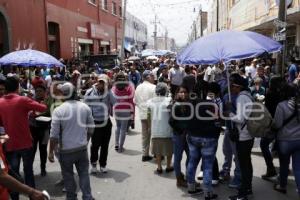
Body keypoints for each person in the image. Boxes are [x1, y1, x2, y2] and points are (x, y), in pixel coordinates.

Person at [0, 76, 47, 200]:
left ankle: (15, 197)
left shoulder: (0, 102)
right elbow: (42, 108)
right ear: (18, 87)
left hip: (9, 144)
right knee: (28, 171)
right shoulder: (22, 100)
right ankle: (33, 196)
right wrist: (39, 102)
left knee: (13, 174)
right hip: (25, 143)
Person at [49, 82, 95, 200]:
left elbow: (53, 135)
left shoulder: (58, 110)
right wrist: (86, 141)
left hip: (65, 151)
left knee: (68, 176)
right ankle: (87, 196)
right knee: (84, 174)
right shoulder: (85, 107)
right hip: (81, 149)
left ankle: (71, 197)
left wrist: (50, 152)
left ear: (63, 95)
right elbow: (91, 128)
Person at [186, 88, 220, 199]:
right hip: (208, 138)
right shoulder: (212, 105)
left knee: (192, 162)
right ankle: (208, 193)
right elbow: (218, 121)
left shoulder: (191, 103)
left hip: (193, 136)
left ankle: (191, 187)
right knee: (207, 166)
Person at [228, 74, 254, 200]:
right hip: (248, 134)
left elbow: (240, 118)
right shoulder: (247, 96)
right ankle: (247, 188)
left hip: (243, 136)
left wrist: (229, 113)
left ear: (237, 86)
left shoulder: (241, 98)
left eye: (232, 85)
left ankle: (243, 194)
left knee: (244, 165)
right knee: (247, 163)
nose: (230, 88)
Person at [272, 83, 300, 196]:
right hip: (299, 139)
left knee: (284, 165)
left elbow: (277, 124)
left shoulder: (281, 105)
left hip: (284, 140)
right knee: (298, 167)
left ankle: (282, 186)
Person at [84, 74, 114, 174]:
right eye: (101, 82)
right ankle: (93, 164)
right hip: (95, 122)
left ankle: (103, 164)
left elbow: (115, 102)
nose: (102, 85)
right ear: (98, 82)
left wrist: (110, 91)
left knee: (105, 145)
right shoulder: (89, 92)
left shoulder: (108, 92)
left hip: (106, 122)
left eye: (104, 83)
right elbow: (85, 107)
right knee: (95, 145)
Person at [260, 76, 284, 180]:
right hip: (283, 124)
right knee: (281, 147)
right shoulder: (283, 94)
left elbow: (268, 110)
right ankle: (283, 168)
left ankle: (270, 169)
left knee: (263, 145)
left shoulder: (270, 93)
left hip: (272, 124)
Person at [147, 83, 173, 174]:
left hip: (155, 128)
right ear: (165, 91)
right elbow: (171, 114)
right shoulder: (169, 100)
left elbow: (149, 115)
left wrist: (149, 126)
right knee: (169, 149)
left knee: (157, 150)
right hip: (167, 128)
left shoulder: (150, 101)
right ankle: (169, 166)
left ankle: (159, 167)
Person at [169, 86, 190, 187]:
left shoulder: (187, 104)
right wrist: (180, 131)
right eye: (181, 92)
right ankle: (179, 179)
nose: (183, 94)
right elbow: (171, 122)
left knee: (190, 156)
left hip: (187, 135)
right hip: (179, 136)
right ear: (177, 94)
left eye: (185, 92)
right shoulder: (176, 105)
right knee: (178, 158)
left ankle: (188, 177)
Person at [134, 70, 156, 162]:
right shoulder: (153, 87)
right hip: (152, 113)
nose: (154, 78)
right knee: (154, 134)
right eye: (152, 76)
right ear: (148, 77)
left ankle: (145, 154)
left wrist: (141, 106)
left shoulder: (138, 87)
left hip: (142, 113)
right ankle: (156, 153)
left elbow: (135, 101)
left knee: (145, 135)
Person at [29, 84, 50, 177]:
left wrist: (40, 114)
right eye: (36, 91)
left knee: (43, 149)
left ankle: (43, 168)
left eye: (40, 91)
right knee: (32, 149)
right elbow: (28, 113)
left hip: (45, 129)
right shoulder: (31, 101)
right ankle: (30, 169)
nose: (38, 93)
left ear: (44, 92)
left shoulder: (48, 101)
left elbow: (51, 111)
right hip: (33, 128)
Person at [111, 72, 135, 153]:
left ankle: (116, 144)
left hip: (117, 110)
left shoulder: (113, 88)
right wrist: (132, 114)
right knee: (123, 129)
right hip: (126, 110)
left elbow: (111, 100)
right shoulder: (129, 88)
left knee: (118, 127)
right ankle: (121, 147)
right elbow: (131, 102)